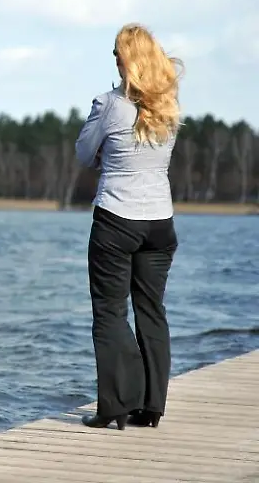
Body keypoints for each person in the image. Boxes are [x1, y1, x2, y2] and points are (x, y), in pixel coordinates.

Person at [74, 23, 183, 431]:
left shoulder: (108, 105)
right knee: (152, 311)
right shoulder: (169, 105)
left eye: (117, 52)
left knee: (109, 313)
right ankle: (151, 407)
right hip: (160, 223)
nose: (114, 59)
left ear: (128, 59)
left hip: (117, 220)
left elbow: (84, 154)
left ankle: (116, 406)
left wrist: (106, 147)